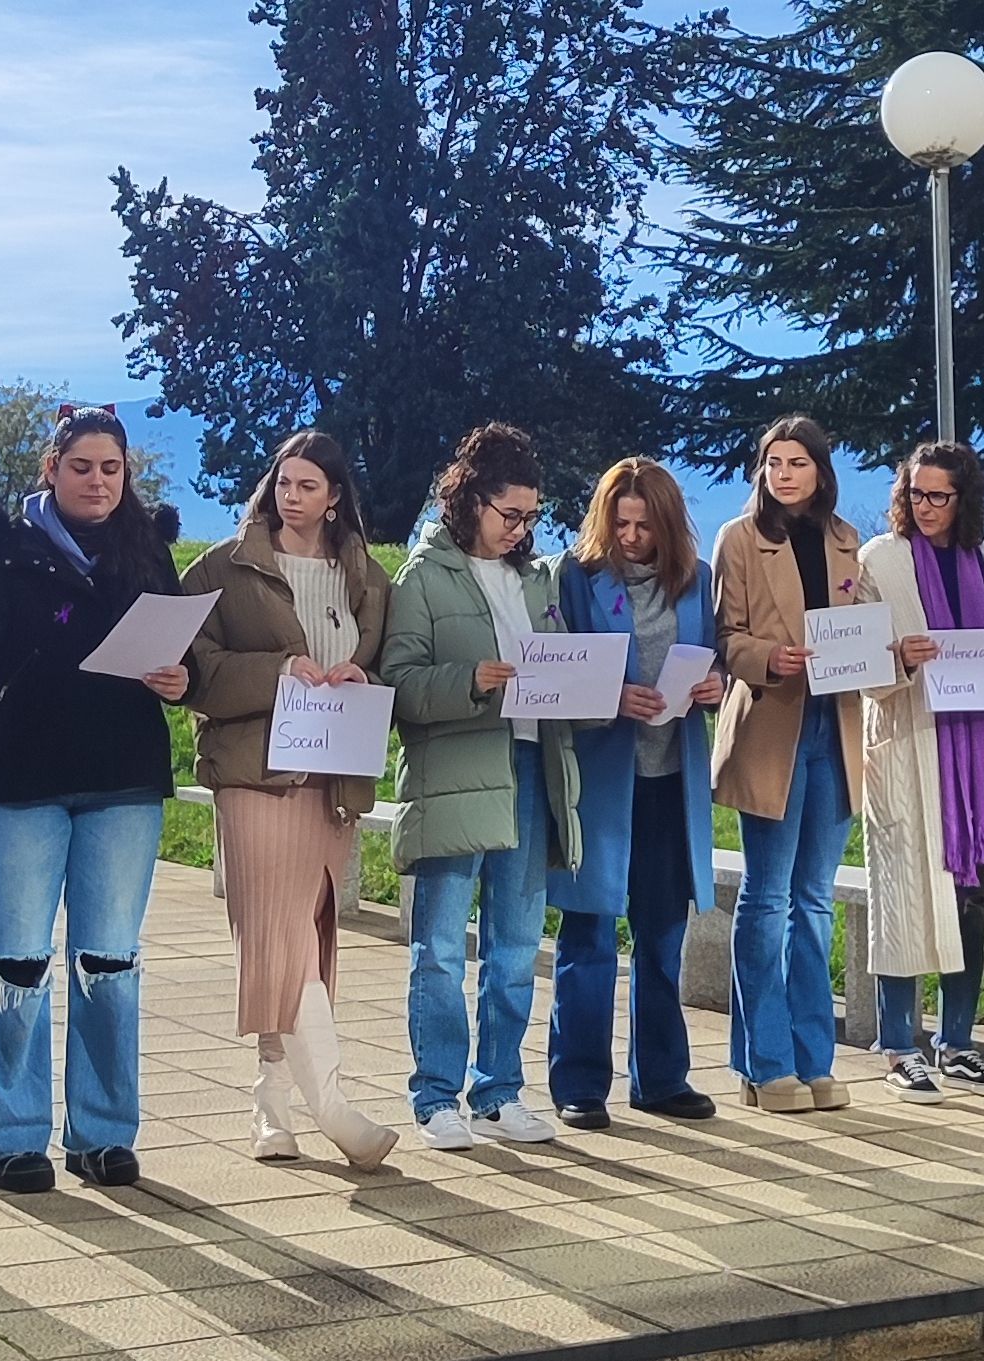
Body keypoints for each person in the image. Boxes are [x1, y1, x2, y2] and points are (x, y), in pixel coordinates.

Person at [0, 403, 192, 1194]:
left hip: (124, 777)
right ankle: (11, 1138)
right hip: (22, 779)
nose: (97, 481)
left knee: (109, 964)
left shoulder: (148, 548)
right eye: (81, 466)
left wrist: (186, 680)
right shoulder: (4, 549)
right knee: (16, 962)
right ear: (50, 470)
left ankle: (103, 1132)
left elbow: (189, 656)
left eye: (111, 468)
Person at [181, 432, 399, 1170]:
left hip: (332, 778)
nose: (291, 496)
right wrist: (279, 670)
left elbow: (383, 662)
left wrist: (361, 683)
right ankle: (334, 1107)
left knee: (308, 935)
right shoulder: (224, 566)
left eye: (308, 485)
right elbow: (192, 671)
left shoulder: (368, 575)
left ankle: (271, 1106)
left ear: (335, 496)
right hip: (254, 775)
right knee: (281, 938)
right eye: (283, 482)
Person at [381, 422, 581, 1150]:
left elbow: (560, 665)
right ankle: (436, 1095)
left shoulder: (538, 578)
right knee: (438, 946)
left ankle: (498, 1090)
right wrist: (468, 681)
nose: (521, 528)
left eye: (531, 515)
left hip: (532, 769)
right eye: (509, 514)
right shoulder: (422, 576)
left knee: (516, 946)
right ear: (469, 500)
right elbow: (397, 685)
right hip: (455, 774)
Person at [858, 441, 984, 1103]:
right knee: (906, 898)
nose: (927, 507)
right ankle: (899, 1045)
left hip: (981, 761)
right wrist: (898, 657)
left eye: (940, 496)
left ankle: (959, 1041)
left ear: (964, 499)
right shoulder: (879, 562)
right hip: (911, 750)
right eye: (916, 494)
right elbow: (858, 666)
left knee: (974, 894)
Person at [547, 458, 724, 1130]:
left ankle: (660, 1076)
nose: (629, 535)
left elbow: (719, 659)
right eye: (619, 522)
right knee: (589, 931)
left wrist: (717, 687)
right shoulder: (576, 577)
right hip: (601, 778)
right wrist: (610, 694)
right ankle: (580, 1082)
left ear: (667, 524)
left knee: (661, 934)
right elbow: (554, 671)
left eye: (643, 524)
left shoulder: (697, 582)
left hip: (670, 783)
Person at [709, 415, 864, 1114]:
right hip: (771, 727)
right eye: (774, 461)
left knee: (815, 902)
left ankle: (814, 1056)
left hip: (837, 728)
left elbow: (866, 629)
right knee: (767, 899)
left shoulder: (845, 541)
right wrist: (769, 657)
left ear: (821, 472)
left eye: (797, 461)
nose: (784, 473)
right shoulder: (739, 539)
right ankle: (762, 1060)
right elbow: (726, 638)